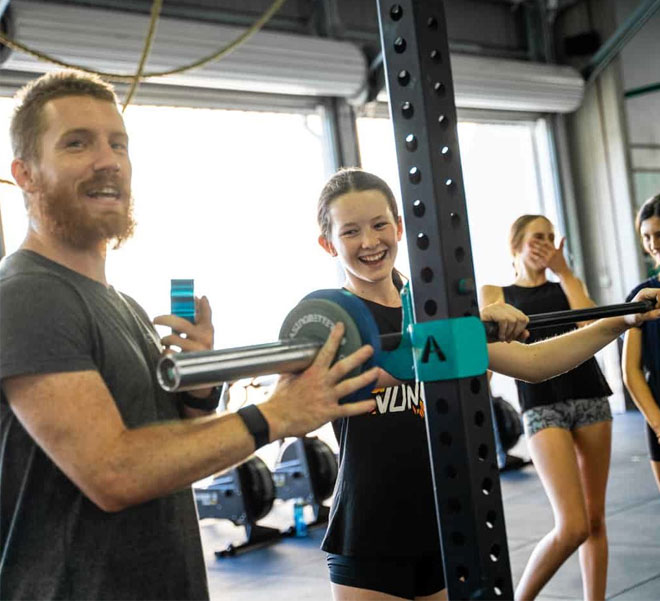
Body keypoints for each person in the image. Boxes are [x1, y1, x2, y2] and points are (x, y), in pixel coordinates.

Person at [0, 70, 382, 600]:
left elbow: (174, 451)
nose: (107, 159)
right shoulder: (26, 295)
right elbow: (114, 473)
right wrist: (276, 414)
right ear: (26, 174)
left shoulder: (122, 305)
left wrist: (198, 396)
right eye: (76, 143)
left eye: (119, 144)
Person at [317, 171, 660, 601]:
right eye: (351, 231)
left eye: (379, 224)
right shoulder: (332, 317)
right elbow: (337, 392)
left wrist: (620, 320)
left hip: (447, 526)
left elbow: (534, 363)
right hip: (367, 532)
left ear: (400, 227)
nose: (370, 241)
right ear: (328, 243)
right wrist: (455, 335)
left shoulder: (436, 308)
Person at [481, 214, 614, 601]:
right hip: (541, 406)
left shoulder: (566, 285)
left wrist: (565, 270)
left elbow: (596, 323)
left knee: (594, 521)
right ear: (516, 245)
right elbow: (486, 350)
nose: (546, 245)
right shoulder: (496, 292)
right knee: (572, 524)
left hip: (589, 397)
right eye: (538, 238)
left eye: (552, 238)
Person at [623, 193, 660, 493]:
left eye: (659, 234)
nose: (653, 244)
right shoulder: (640, 297)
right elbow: (631, 371)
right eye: (646, 236)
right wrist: (658, 423)